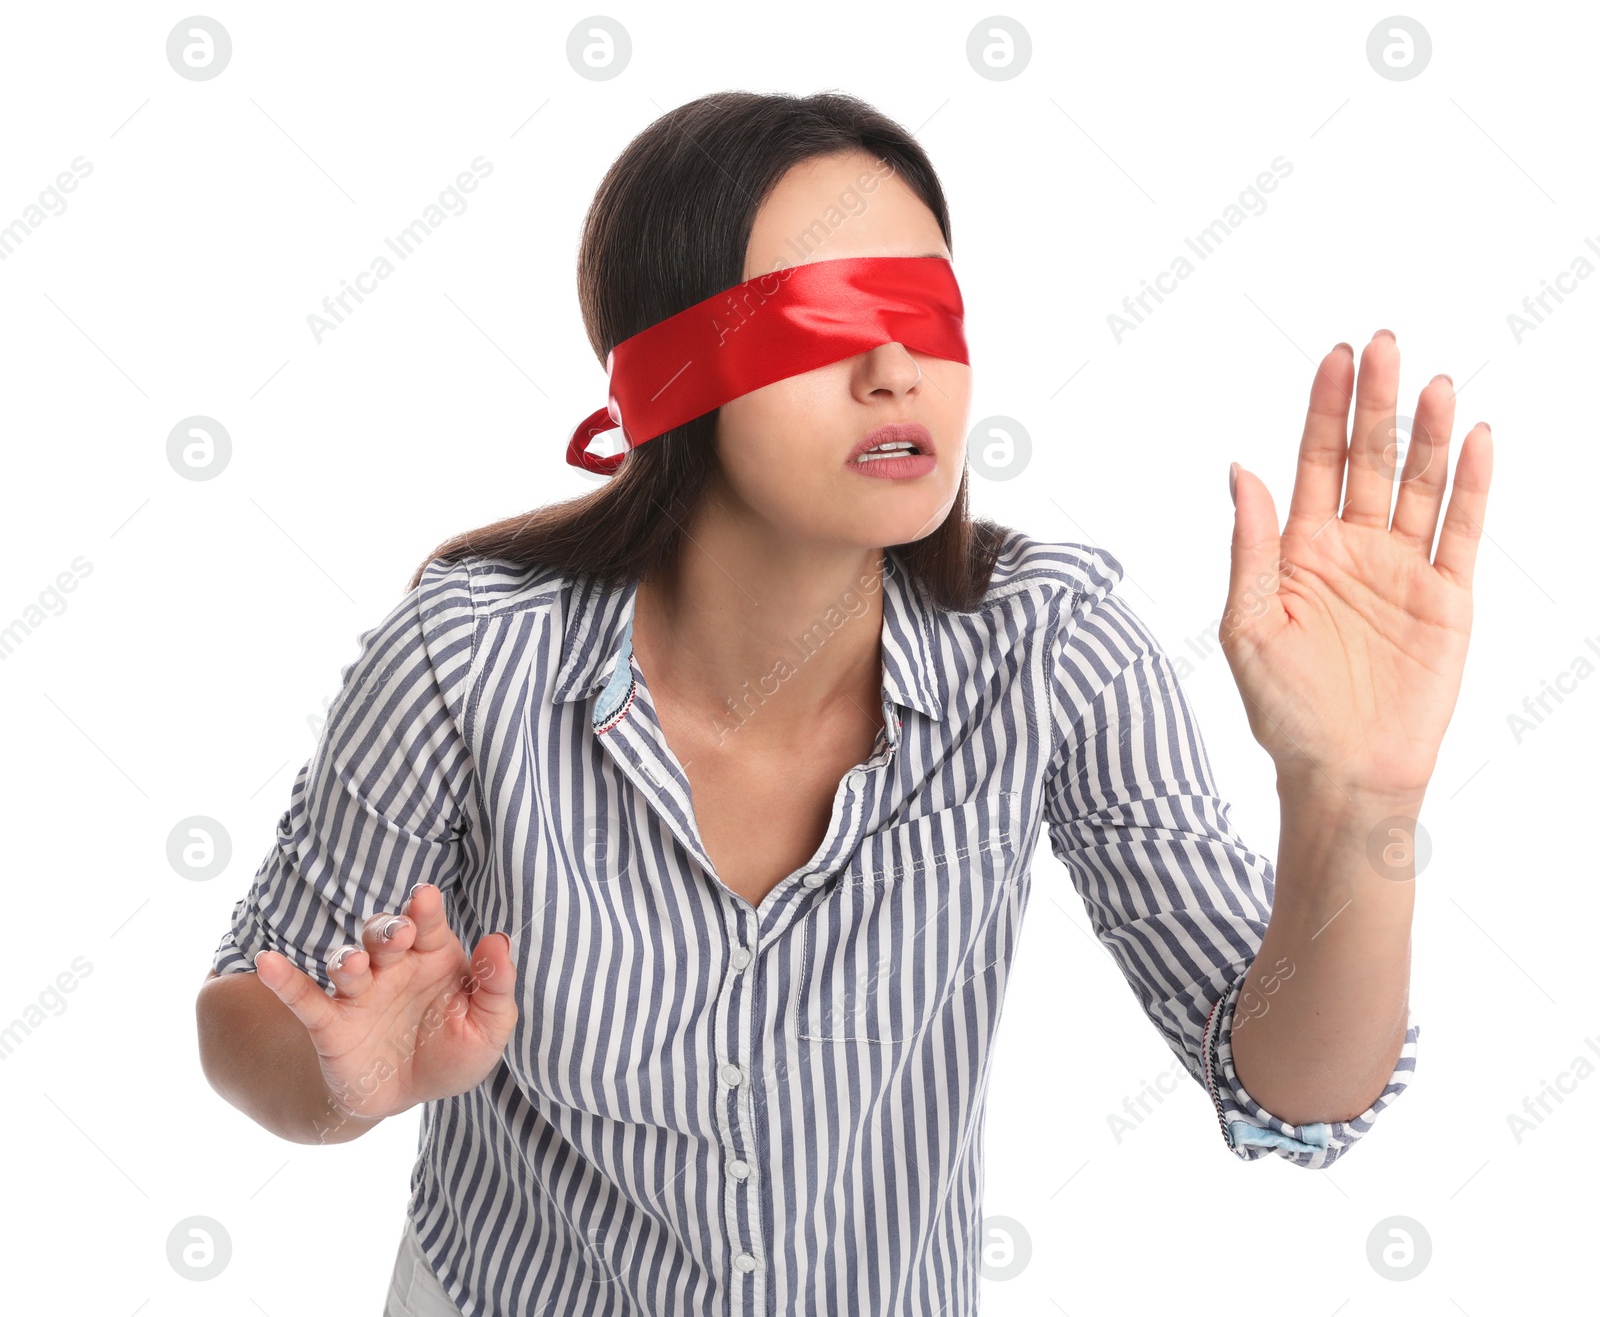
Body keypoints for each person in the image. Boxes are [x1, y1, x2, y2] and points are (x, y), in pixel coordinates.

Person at [194, 90, 1494, 1316]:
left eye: (927, 316)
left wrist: (1356, 805)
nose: (894, 368)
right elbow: (250, 1011)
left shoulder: (1050, 646)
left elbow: (1289, 1095)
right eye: (817, 318)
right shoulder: (467, 653)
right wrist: (341, 1085)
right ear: (668, 374)